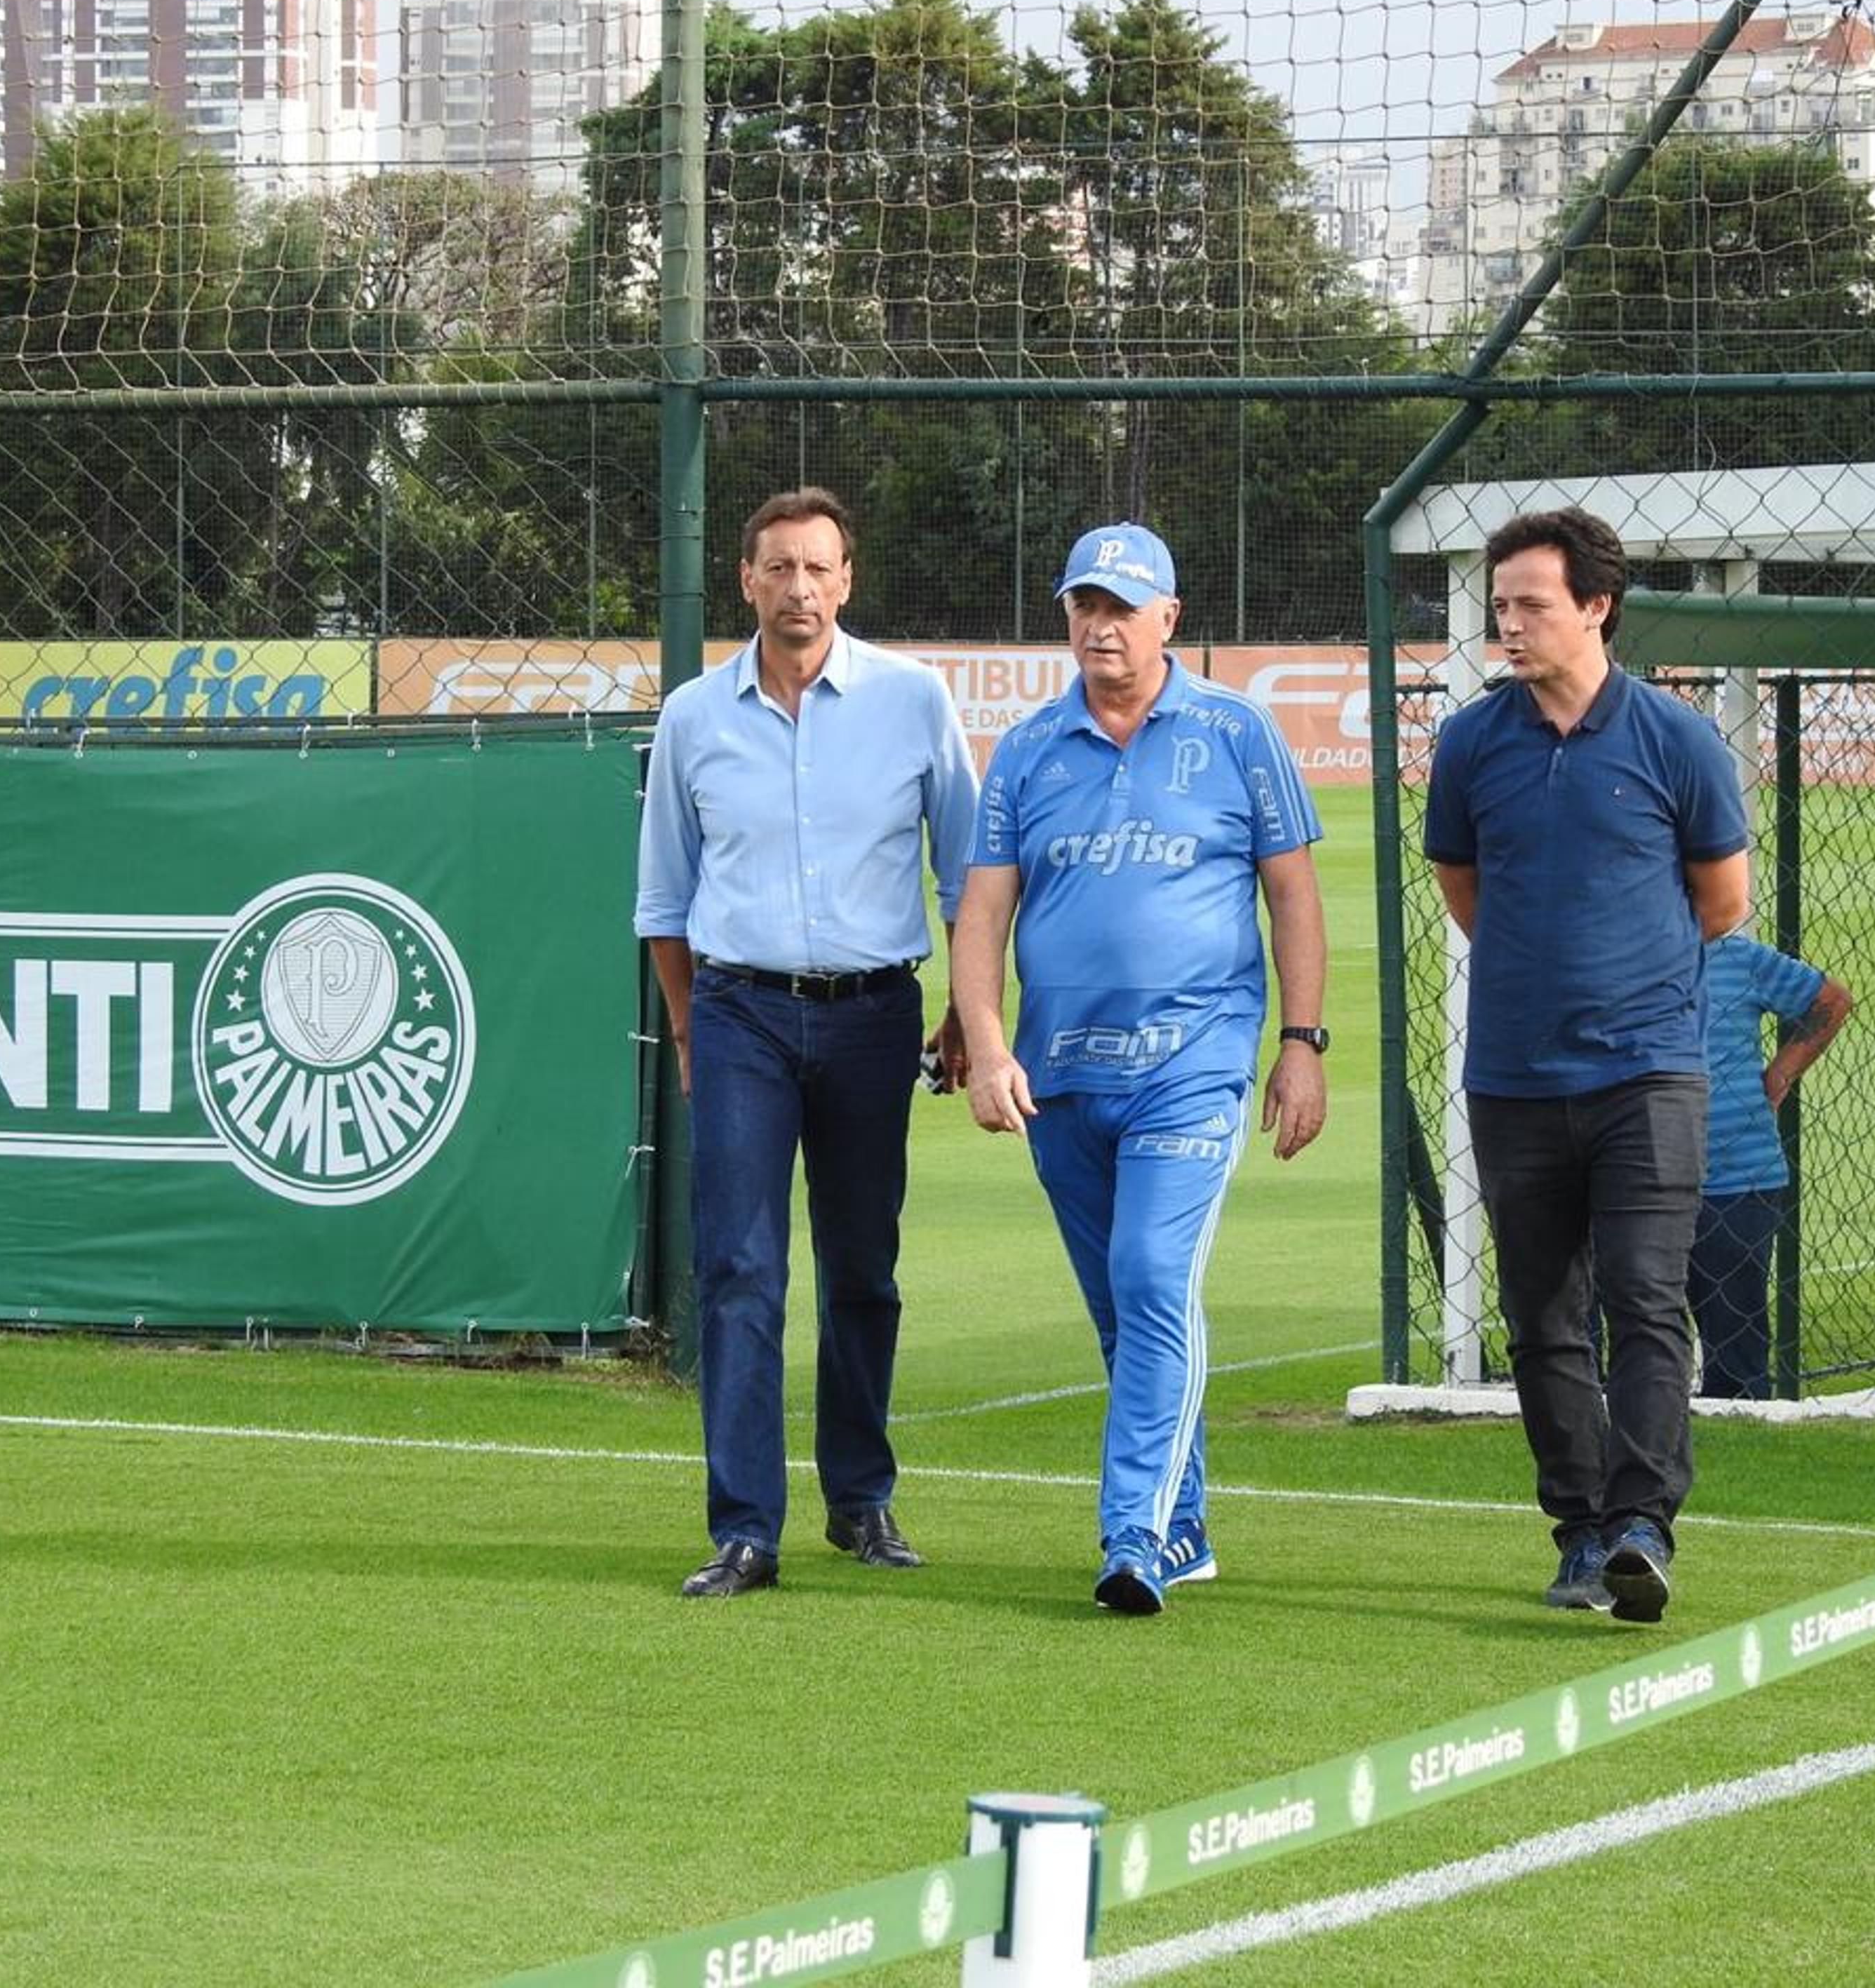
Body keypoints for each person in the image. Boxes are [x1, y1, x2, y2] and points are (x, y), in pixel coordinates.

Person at [954, 523, 1329, 1616]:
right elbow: (982, 912)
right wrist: (986, 1046)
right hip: (1060, 1074)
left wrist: (1300, 1047)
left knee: (1156, 1281)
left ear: (1170, 617)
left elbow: (1293, 895)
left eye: (1123, 605)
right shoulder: (1025, 750)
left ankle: (1135, 1536)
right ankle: (1190, 1522)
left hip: (1194, 1061)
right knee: (1125, 1315)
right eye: (1085, 604)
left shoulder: (1236, 733)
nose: (1101, 625)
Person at [634, 487, 980, 1599]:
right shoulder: (692, 714)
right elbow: (664, 898)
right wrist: (690, 1027)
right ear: (745, 581)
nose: (798, 588)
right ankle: (745, 1528)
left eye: (817, 568)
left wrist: (972, 1012)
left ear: (847, 580)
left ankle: (860, 1499)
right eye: (777, 567)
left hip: (876, 1015)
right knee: (739, 1266)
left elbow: (970, 871)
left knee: (862, 1269)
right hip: (740, 1014)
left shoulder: (912, 701)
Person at [1423, 506, 1749, 1625]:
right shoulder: (1469, 743)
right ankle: (1579, 1530)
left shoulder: (1676, 739)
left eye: (1532, 606)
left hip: (1650, 1075)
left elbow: (1724, 902)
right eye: (1499, 606)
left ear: (1597, 606)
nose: (1508, 626)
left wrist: (1623, 981)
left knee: (1647, 1300)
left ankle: (1645, 1526)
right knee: (1543, 1318)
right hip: (1513, 1078)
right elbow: (1461, 885)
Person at [1692, 933, 1853, 1402]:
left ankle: (1737, 1436)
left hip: (1736, 1177)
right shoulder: (1609, 950)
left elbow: (1831, 1000)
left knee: (1736, 1359)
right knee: (1635, 1336)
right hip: (1636, 1178)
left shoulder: (1735, 955)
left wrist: (1780, 1075)